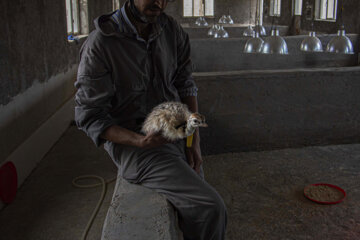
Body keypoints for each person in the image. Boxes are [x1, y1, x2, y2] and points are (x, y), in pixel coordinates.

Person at [74, 0, 227, 239]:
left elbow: (185, 84)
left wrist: (194, 139)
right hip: (137, 146)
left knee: (194, 200)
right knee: (210, 208)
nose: (159, 1)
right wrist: (139, 141)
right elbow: (89, 115)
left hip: (177, 134)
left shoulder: (170, 30)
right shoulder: (102, 44)